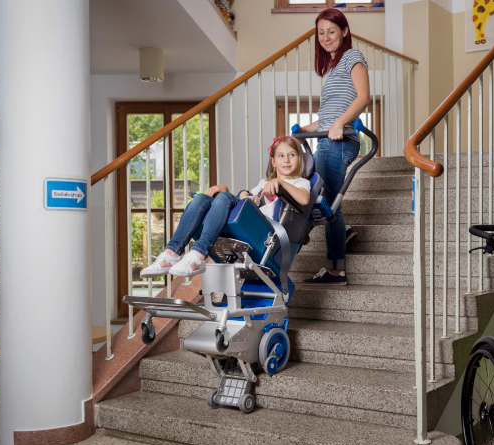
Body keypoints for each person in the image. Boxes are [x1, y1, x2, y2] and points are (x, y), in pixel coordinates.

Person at [141, 137, 311, 278]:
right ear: (273, 162)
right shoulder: (263, 183)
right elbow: (245, 198)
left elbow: (304, 199)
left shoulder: (300, 182)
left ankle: (199, 253)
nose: (286, 160)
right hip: (248, 219)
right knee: (202, 198)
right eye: (281, 156)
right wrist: (228, 191)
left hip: (262, 230)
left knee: (223, 197)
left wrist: (280, 182)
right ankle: (172, 252)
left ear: (300, 159)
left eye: (292, 155)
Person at [298, 8, 370, 286]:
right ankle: (344, 232)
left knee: (328, 204)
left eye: (331, 31)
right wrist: (307, 128)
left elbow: (363, 97)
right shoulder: (331, 68)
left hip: (338, 142)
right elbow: (330, 115)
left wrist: (340, 122)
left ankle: (336, 271)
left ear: (344, 31)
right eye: (321, 32)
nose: (326, 37)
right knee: (322, 199)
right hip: (327, 139)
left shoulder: (352, 57)